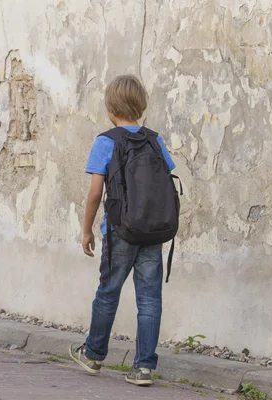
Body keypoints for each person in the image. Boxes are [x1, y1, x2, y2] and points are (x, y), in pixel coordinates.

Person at [69, 75, 176, 386]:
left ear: (109, 106)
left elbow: (94, 194)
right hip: (153, 231)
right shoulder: (155, 140)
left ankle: (93, 355)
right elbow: (167, 175)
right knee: (150, 298)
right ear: (140, 105)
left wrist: (87, 230)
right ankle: (143, 367)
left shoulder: (107, 141)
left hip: (120, 232)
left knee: (108, 293)